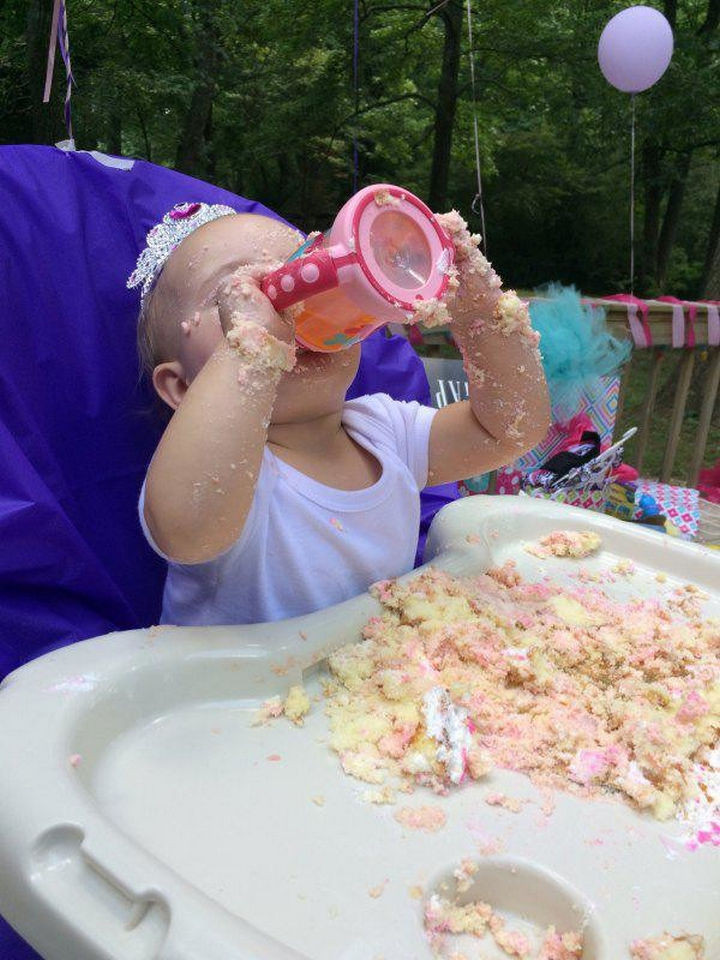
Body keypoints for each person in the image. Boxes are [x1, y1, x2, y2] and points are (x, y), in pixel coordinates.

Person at [130, 201, 550, 626]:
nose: (288, 298)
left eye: (301, 267)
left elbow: (507, 431)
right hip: (243, 671)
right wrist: (251, 346)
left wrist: (479, 308)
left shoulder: (386, 432)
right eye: (233, 292)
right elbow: (187, 530)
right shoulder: (225, 473)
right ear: (182, 386)